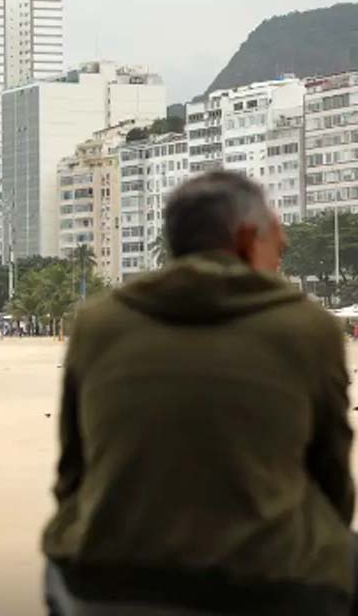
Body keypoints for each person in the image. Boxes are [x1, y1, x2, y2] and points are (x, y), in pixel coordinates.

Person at [43, 171, 355, 616]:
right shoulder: (309, 327)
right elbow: (333, 483)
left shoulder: (97, 323)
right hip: (267, 585)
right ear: (247, 239)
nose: (283, 244)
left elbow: (72, 473)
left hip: (108, 580)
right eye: (276, 239)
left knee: (59, 557)